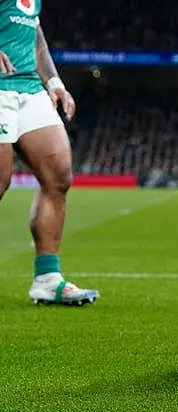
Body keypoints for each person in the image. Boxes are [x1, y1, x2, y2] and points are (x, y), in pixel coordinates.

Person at [0, 1, 99, 305]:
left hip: (29, 86)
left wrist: (53, 81)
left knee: (58, 176)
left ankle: (47, 279)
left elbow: (34, 31)